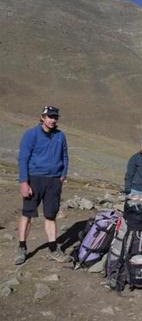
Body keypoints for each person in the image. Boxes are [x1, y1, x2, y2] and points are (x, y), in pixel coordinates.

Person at [15, 105, 71, 265]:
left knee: (50, 215)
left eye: (55, 117)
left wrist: (62, 176)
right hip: (34, 179)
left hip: (54, 181)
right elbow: (23, 159)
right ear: (42, 117)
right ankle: (22, 247)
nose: (53, 120)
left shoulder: (60, 136)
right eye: (50, 117)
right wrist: (24, 182)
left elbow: (65, 156)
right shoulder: (31, 135)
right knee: (27, 214)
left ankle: (53, 249)